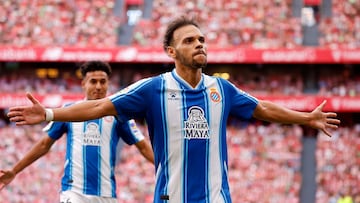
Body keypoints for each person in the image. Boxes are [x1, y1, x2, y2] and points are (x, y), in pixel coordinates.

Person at [7, 17, 340, 203]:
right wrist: (50, 114)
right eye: (189, 41)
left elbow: (262, 108)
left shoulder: (221, 90)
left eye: (201, 40)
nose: (199, 45)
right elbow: (100, 106)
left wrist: (306, 117)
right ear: (170, 50)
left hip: (217, 199)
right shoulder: (153, 89)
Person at [1, 61, 154, 203]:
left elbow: (142, 146)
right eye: (93, 81)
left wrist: (169, 168)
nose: (99, 86)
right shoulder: (68, 111)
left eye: (103, 81)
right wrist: (15, 170)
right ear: (83, 84)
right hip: (74, 192)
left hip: (106, 194)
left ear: (108, 83)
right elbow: (43, 145)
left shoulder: (118, 113)